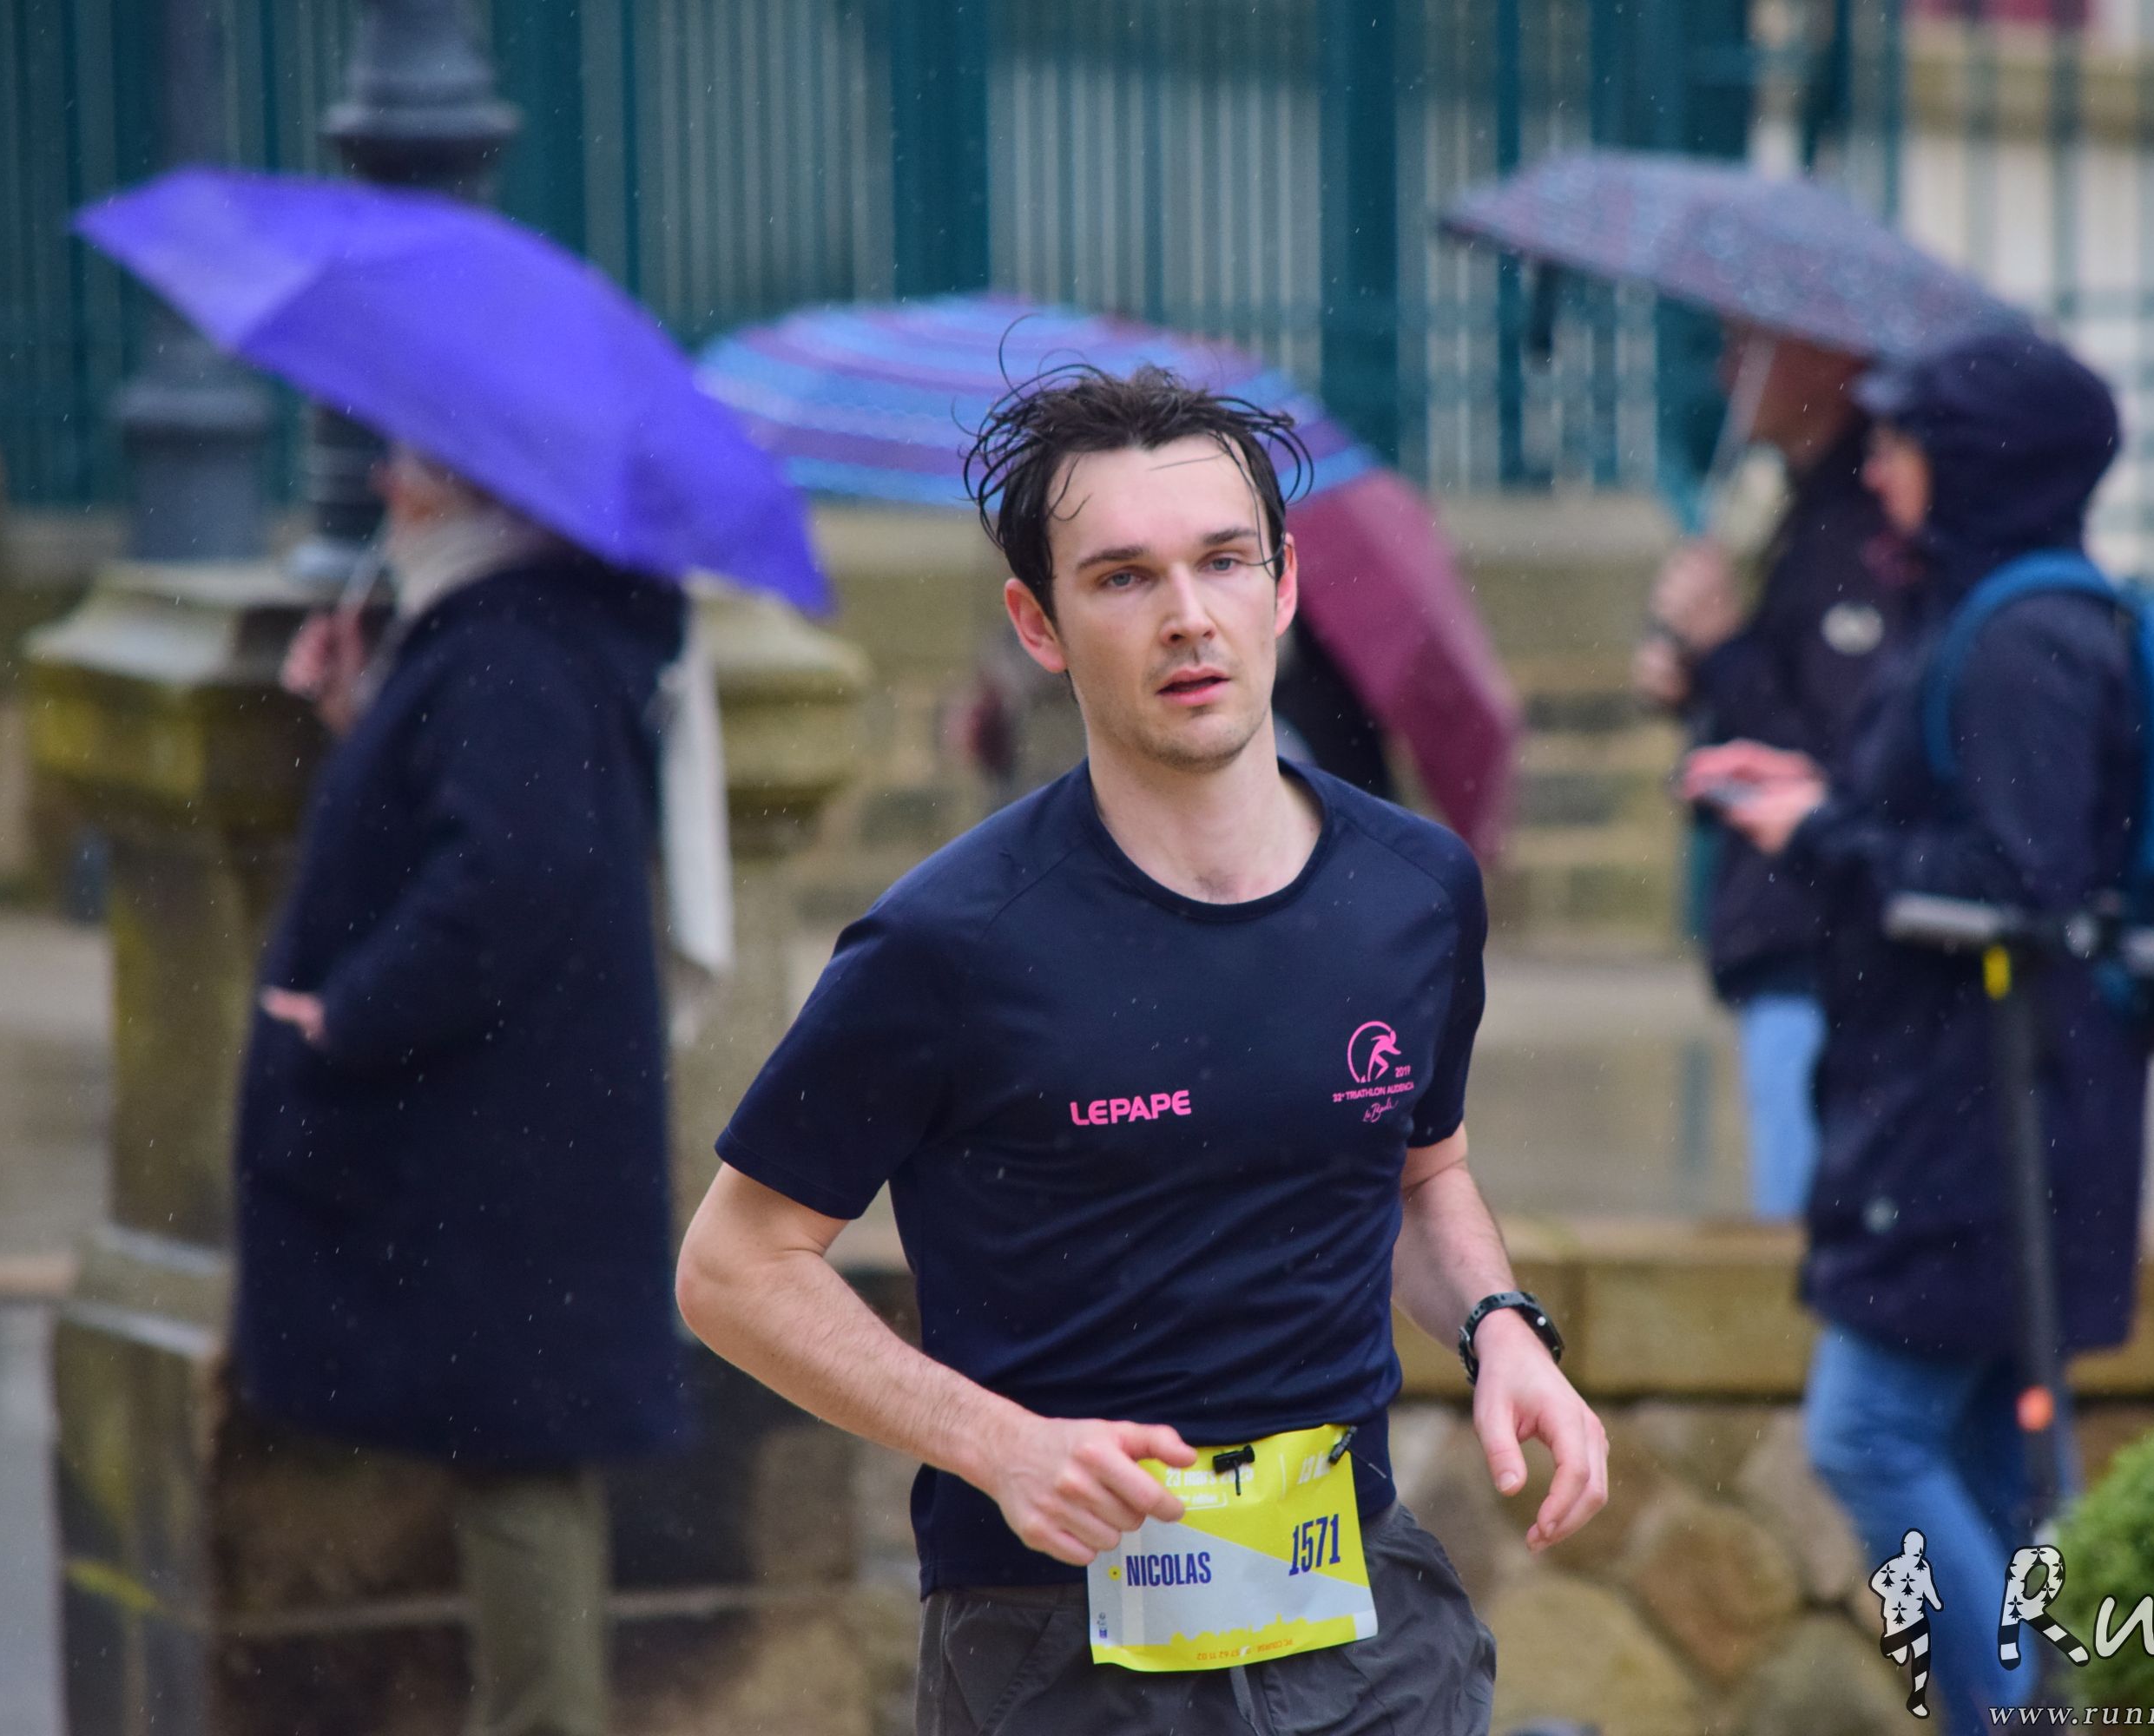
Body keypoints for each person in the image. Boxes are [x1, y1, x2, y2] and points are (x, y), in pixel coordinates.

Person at [675, 365, 1608, 1735]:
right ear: (1037, 624)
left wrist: (1498, 1329)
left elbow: (1422, 1173)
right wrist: (997, 1445)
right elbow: (733, 1269)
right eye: (1122, 578)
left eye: (1224, 561)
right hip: (1056, 1651)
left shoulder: (1415, 890)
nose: (1187, 617)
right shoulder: (947, 944)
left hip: (1361, 1626)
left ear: (1284, 587)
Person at [1682, 327, 2142, 1732]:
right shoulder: (1985, 616)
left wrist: (1820, 835)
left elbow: (2018, 885)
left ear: (1979, 464)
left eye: (1904, 442)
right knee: (1992, 1462)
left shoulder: (2019, 642)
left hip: (1980, 1120)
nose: (1877, 467)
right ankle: (2019, 1707)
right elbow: (1969, 838)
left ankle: (2011, 1713)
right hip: (1979, 1112)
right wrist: (1819, 801)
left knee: (1867, 1432)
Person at [233, 444, 694, 1736]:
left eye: (420, 466)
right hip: (520, 1132)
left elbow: (505, 876)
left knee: (518, 1462)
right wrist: (367, 708)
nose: (388, 487)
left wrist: (353, 1010)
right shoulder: (505, 636)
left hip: (506, 1137)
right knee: (515, 1451)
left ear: (490, 489)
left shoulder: (510, 647)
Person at [1630, 319, 1907, 1219]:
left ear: (1830, 358)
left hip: (1821, 941)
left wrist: (1724, 649)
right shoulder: (1804, 509)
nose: (1726, 373)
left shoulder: (1860, 529)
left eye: (1749, 348)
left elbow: (1837, 760)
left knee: (1814, 1232)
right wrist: (1700, 675)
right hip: (1797, 938)